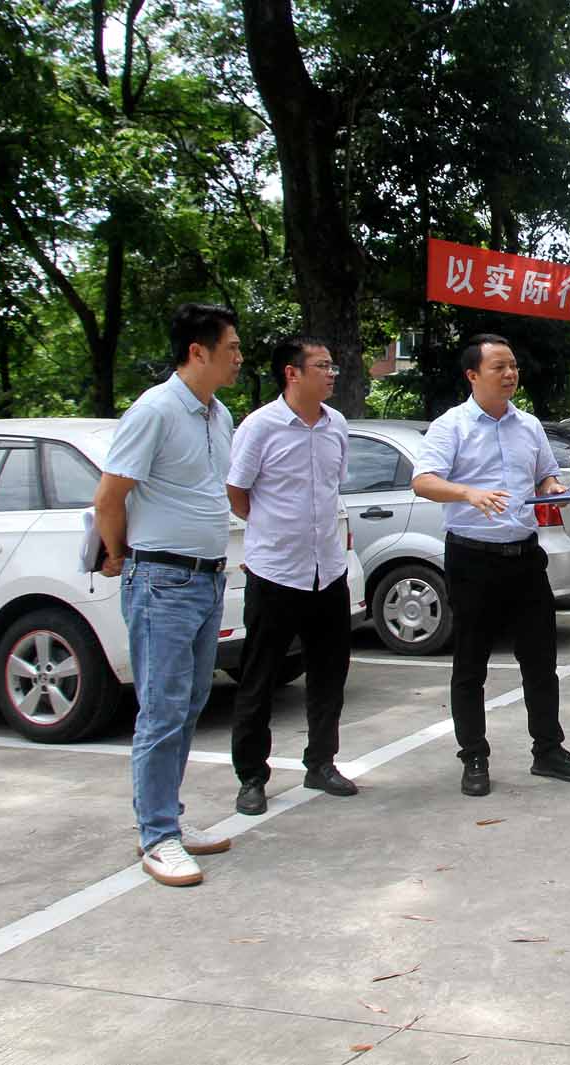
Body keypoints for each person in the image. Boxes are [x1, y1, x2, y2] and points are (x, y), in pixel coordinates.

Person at [93, 303, 241, 887]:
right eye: (231, 348)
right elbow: (110, 497)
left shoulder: (219, 414)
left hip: (208, 577)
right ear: (198, 352)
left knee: (191, 701)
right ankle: (156, 835)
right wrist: (117, 554)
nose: (239, 358)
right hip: (161, 580)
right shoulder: (154, 410)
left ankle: (168, 819)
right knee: (161, 708)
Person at [412, 334, 570, 796]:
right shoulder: (451, 426)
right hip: (472, 557)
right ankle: (474, 756)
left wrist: (553, 489)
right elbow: (424, 481)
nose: (510, 374)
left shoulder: (528, 425)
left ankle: (548, 750)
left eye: (513, 366)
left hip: (524, 557)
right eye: (499, 367)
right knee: (471, 664)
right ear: (473, 375)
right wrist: (467, 492)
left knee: (541, 660)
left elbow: (545, 474)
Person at [226, 336, 358, 816]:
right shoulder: (260, 427)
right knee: (260, 678)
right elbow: (237, 493)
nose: (331, 373)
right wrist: (272, 531)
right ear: (292, 373)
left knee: (329, 674)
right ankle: (251, 776)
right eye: (321, 366)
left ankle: (321, 762)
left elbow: (333, 486)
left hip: (328, 571)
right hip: (276, 572)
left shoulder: (336, 425)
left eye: (332, 365)